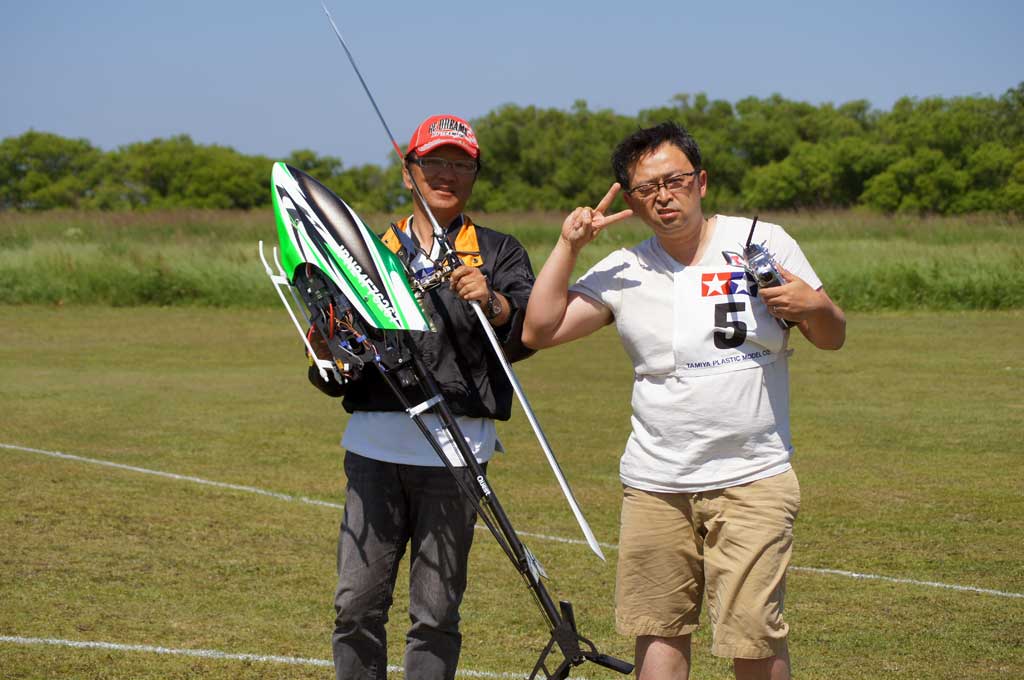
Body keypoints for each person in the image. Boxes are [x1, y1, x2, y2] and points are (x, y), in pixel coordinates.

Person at [522, 122, 845, 680]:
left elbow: (831, 334)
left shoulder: (761, 241)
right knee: (658, 628)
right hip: (655, 484)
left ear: (702, 182)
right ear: (630, 201)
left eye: (675, 181)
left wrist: (815, 307)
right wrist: (568, 246)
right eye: (647, 188)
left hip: (752, 476)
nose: (664, 197)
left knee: (755, 636)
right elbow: (539, 330)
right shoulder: (625, 268)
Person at [307, 114, 536, 680]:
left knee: (435, 614)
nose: (447, 175)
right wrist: (327, 347)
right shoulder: (366, 251)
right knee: (355, 606)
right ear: (408, 171)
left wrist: (494, 303)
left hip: (458, 457)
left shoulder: (499, 252)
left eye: (461, 164)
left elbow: (529, 330)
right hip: (374, 451)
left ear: (475, 175)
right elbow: (338, 364)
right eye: (434, 162)